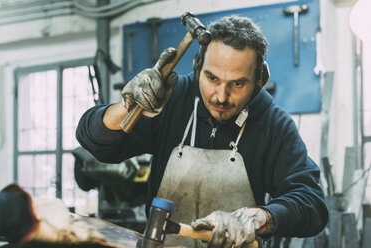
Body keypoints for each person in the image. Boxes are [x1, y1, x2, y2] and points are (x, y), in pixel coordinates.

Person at [76, 15, 328, 248]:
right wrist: (127, 106)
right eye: (212, 78)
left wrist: (260, 217)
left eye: (238, 83)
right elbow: (95, 141)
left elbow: (312, 203)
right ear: (198, 67)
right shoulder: (172, 98)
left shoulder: (273, 123)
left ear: (258, 80)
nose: (221, 96)